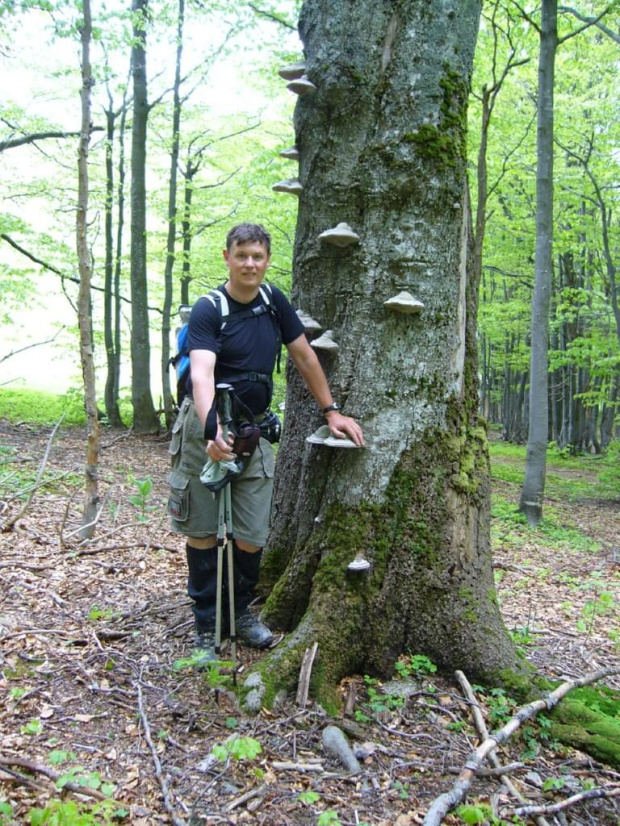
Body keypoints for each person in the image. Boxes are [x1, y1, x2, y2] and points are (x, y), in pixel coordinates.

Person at [168, 223, 364, 661]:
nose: (250, 264)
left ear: (267, 259)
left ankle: (239, 614)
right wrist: (210, 427)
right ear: (227, 257)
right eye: (242, 256)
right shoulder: (209, 308)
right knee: (202, 529)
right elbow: (201, 372)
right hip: (208, 427)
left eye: (258, 256)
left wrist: (330, 411)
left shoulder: (274, 302)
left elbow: (304, 356)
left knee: (253, 533)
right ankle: (205, 625)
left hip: (253, 430)